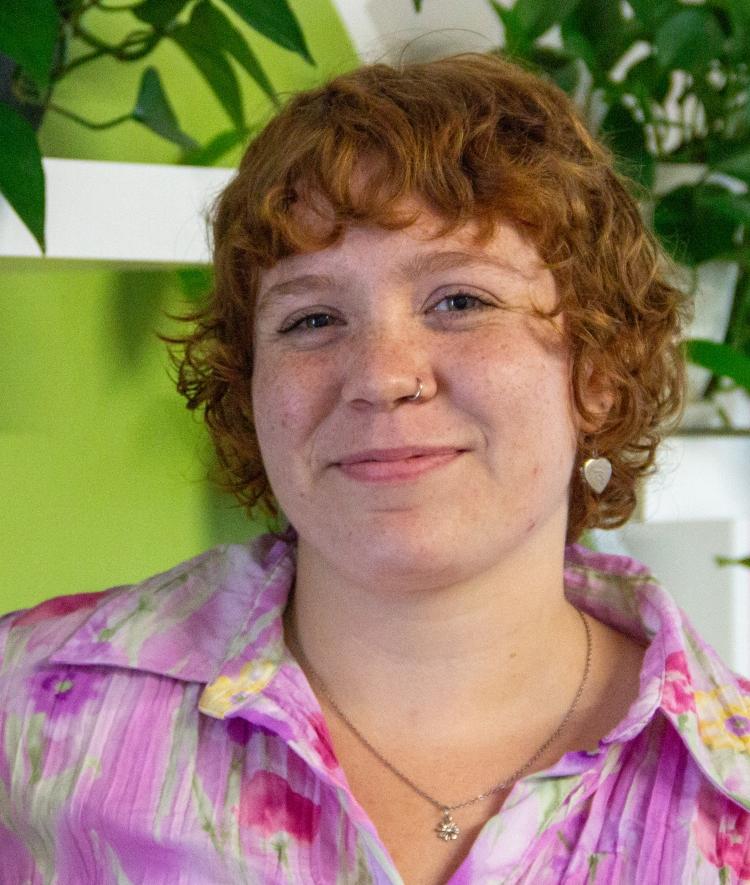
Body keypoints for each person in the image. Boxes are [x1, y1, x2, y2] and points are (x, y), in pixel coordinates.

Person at [1, 52, 749, 885]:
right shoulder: (21, 715)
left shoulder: (731, 794)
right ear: (249, 385)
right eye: (313, 318)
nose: (382, 375)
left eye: (460, 301)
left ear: (599, 372)